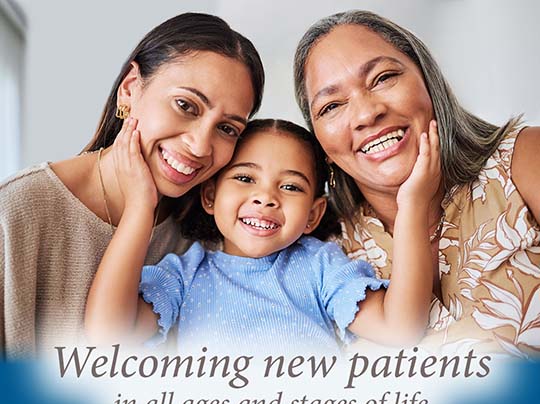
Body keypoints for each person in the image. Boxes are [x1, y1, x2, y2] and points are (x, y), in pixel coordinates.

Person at [0, 13, 264, 359]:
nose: (200, 146)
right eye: (186, 105)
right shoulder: (15, 211)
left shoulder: (210, 237)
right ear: (129, 90)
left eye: (227, 128)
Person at [293, 10, 540, 357]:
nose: (366, 114)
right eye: (332, 105)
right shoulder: (324, 252)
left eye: (383, 78)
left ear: (428, 81)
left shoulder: (524, 159)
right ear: (322, 146)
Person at [85, 118, 441, 355]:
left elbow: (400, 328)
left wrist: (412, 205)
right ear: (210, 196)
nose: (266, 197)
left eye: (289, 186)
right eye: (244, 178)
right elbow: (107, 337)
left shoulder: (319, 266)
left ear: (312, 216)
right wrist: (139, 209)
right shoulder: (184, 273)